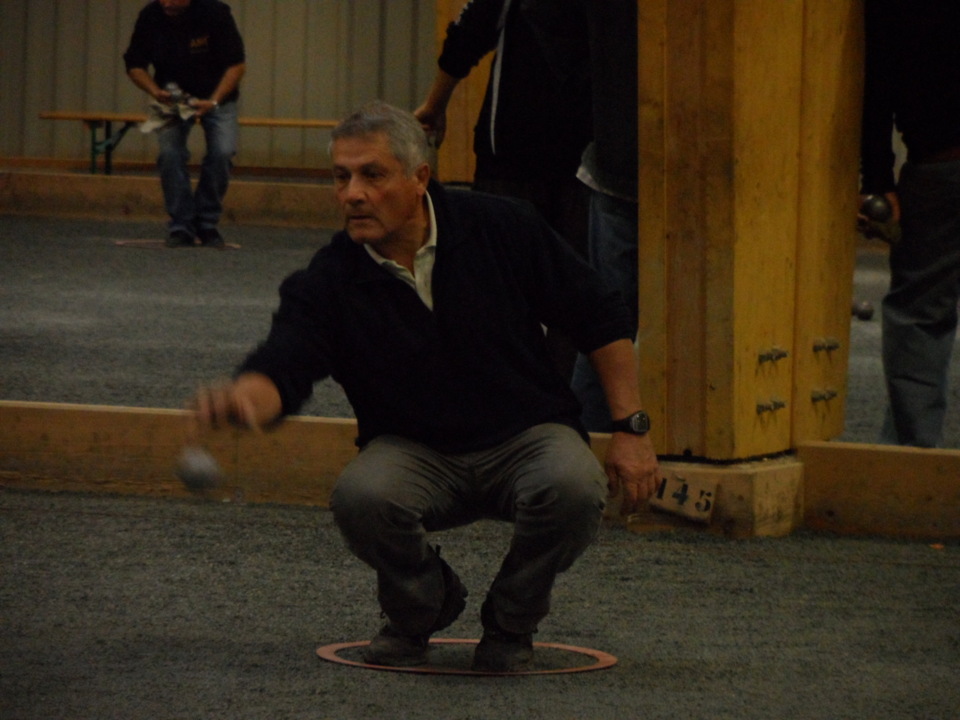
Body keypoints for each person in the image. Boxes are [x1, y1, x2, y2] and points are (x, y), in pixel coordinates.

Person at [189, 102, 659, 672]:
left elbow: (600, 316)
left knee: (574, 486)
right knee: (361, 497)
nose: (352, 194)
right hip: (414, 450)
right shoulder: (330, 278)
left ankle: (512, 622)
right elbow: (286, 364)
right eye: (341, 177)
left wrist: (631, 429)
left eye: (372, 175)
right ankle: (421, 606)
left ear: (419, 179)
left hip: (525, 435)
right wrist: (246, 397)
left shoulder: (501, 226)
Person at [414, 0, 592, 378]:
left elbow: (470, 30)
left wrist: (435, 104)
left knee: (494, 279)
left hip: (514, 149)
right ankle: (562, 399)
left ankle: (500, 386)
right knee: (576, 287)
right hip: (588, 156)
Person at [860, 0, 960, 447]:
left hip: (941, 161)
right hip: (940, 161)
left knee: (919, 315)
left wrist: (878, 178)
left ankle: (910, 463)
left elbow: (876, 85)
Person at [123, 0, 246, 249]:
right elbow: (134, 64)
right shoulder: (150, 15)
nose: (167, 3)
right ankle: (181, 225)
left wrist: (213, 101)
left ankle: (207, 223)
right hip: (172, 97)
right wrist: (155, 91)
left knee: (222, 152)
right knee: (170, 154)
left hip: (216, 96)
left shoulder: (215, 13)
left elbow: (237, 65)